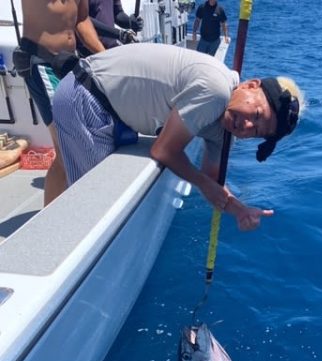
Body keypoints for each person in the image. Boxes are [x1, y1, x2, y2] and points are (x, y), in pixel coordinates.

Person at [52, 44, 305, 231]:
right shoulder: (215, 90)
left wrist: (239, 210)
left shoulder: (224, 131)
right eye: (257, 113)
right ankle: (56, 246)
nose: (247, 125)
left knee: (79, 184)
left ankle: (52, 229)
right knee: (89, 207)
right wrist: (203, 184)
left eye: (257, 131)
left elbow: (211, 180)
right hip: (86, 96)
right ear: (250, 85)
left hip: (109, 109)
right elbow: (163, 151)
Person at [16, 0, 105, 206]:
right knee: (66, 150)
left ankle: (68, 211)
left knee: (79, 145)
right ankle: (49, 224)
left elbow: (81, 20)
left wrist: (105, 55)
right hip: (41, 61)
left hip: (69, 63)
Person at [79, 0, 144, 55]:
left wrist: (130, 22)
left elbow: (118, 14)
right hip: (89, 53)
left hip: (111, 50)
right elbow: (82, 20)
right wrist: (119, 34)